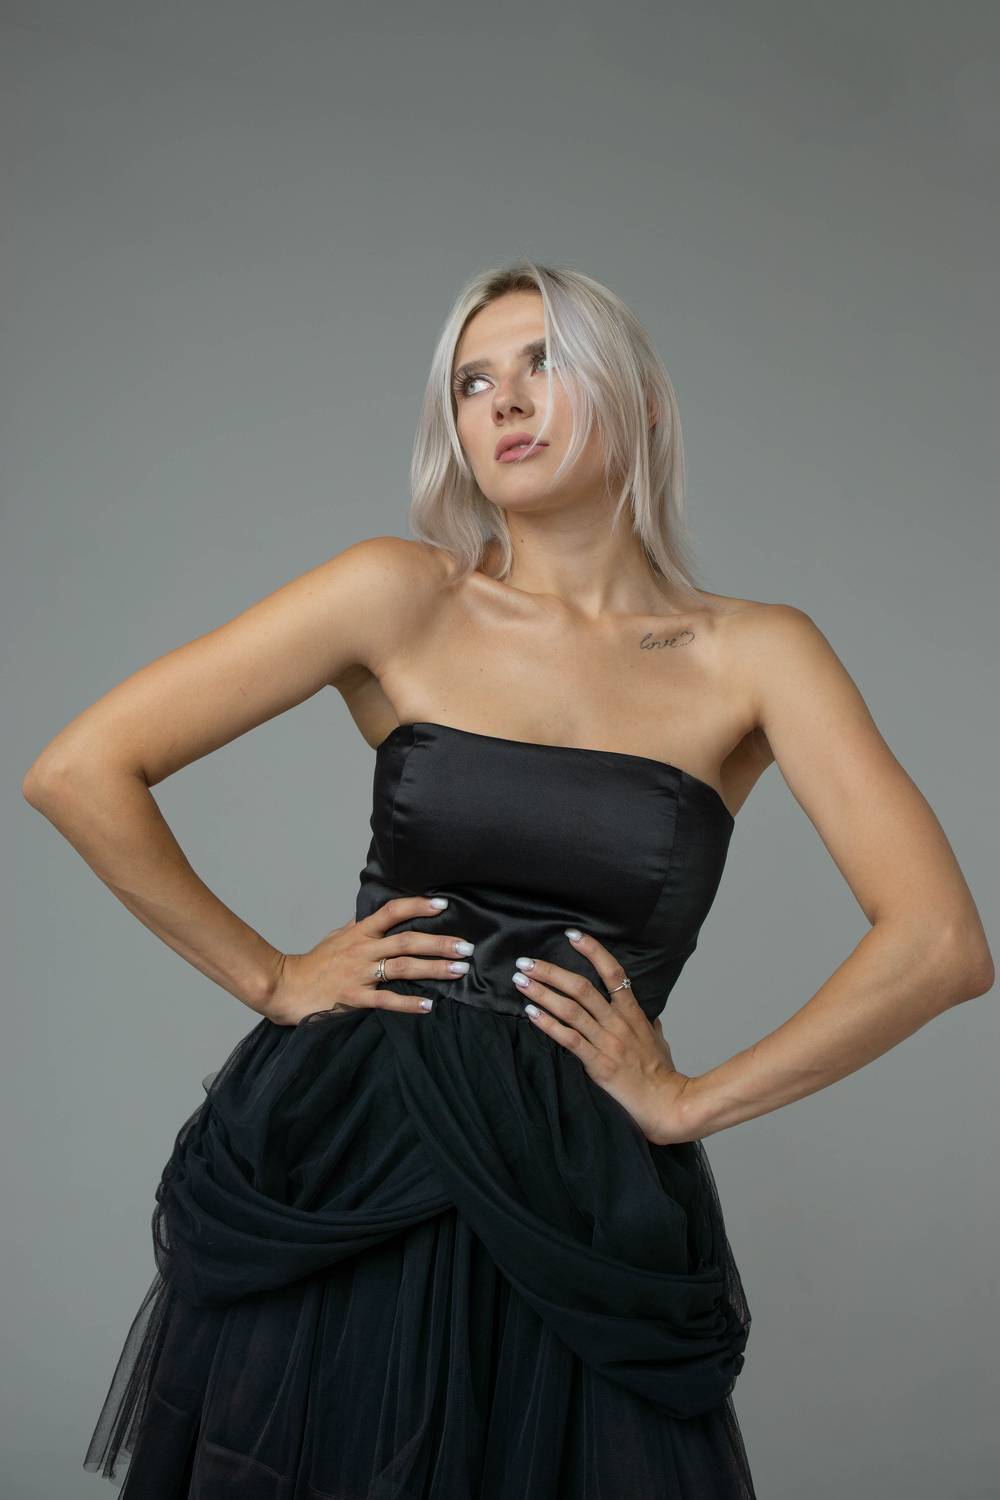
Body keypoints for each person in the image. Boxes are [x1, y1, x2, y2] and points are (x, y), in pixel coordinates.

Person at [23, 260, 993, 1499]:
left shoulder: (755, 655)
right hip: (354, 1144)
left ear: (642, 400)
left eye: (544, 362)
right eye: (473, 382)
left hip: (572, 1188)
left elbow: (938, 942)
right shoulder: (399, 594)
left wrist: (690, 1101)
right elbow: (79, 771)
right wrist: (269, 976)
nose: (506, 402)